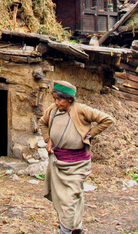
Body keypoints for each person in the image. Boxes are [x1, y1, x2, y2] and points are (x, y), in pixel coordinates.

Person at [39, 81, 114, 234]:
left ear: (69, 100)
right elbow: (42, 123)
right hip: (58, 161)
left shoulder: (81, 110)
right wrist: (48, 139)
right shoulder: (53, 111)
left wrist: (90, 134)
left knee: (70, 198)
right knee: (68, 198)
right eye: (54, 99)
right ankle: (76, 227)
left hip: (78, 164)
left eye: (59, 99)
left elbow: (107, 119)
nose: (56, 102)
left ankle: (65, 230)